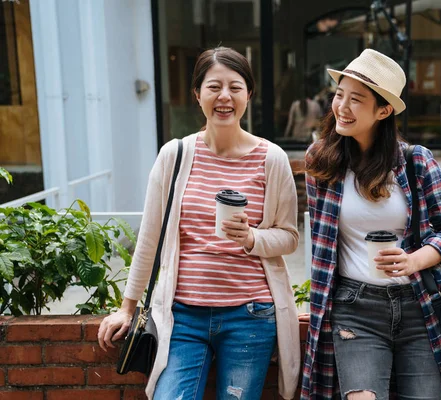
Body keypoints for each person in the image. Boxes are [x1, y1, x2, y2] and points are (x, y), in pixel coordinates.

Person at [98, 47, 300, 400]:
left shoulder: (272, 158)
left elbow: (288, 237)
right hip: (183, 317)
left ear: (248, 95)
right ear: (198, 94)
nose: (225, 97)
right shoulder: (174, 155)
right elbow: (149, 238)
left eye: (235, 87)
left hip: (250, 316)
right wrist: (126, 308)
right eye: (214, 87)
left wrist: (252, 238)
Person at [301, 48, 441, 399]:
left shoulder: (415, 161)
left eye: (356, 99)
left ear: (383, 110)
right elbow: (323, 244)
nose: (342, 107)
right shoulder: (322, 162)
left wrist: (414, 260)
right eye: (339, 95)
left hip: (419, 306)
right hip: (354, 309)